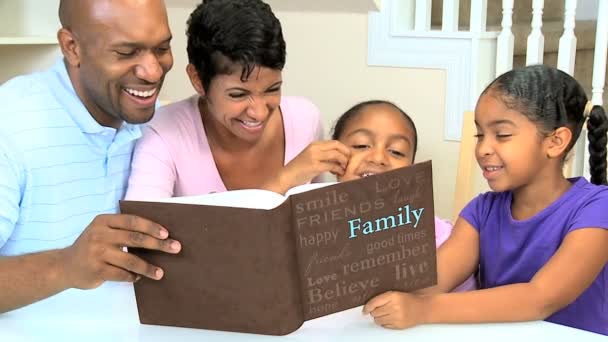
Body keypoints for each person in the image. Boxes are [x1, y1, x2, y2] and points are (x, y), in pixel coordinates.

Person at [362, 65, 608, 335]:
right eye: (480, 135)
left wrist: (424, 310)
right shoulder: (481, 211)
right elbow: (431, 281)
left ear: (555, 142)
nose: (483, 148)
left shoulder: (597, 208)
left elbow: (540, 298)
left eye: (501, 135)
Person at [0, 0, 181, 313]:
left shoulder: (163, 123)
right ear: (72, 47)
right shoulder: (10, 125)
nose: (152, 71)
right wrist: (66, 265)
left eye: (162, 48)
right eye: (126, 52)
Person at [125, 0, 350, 200]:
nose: (259, 112)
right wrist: (284, 180)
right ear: (198, 80)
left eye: (273, 89)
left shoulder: (305, 119)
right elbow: (142, 239)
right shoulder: (163, 133)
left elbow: (315, 229)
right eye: (238, 94)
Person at [332, 100, 477, 292]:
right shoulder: (309, 229)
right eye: (361, 145)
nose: (378, 158)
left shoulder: (441, 241)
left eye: (396, 151)